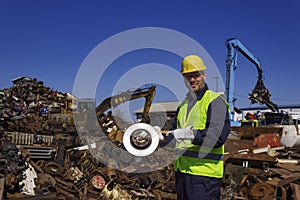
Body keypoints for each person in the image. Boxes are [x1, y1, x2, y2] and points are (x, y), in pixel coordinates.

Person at [168, 55, 230, 200]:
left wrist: (189, 134)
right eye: (187, 76)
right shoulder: (183, 105)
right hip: (182, 173)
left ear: (204, 75)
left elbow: (218, 136)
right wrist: (157, 137)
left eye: (196, 75)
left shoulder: (215, 101)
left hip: (204, 177)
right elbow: (174, 135)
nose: (192, 80)